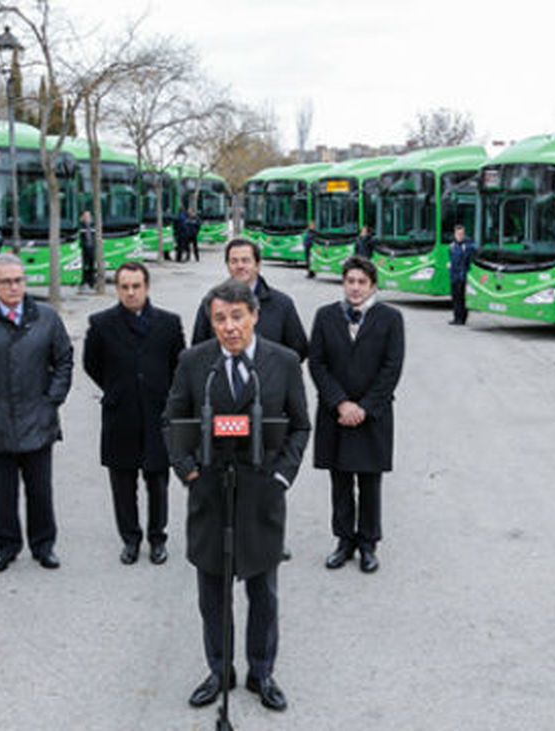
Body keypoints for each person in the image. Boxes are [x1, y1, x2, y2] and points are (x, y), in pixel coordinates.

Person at [164, 278, 310, 713]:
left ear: (254, 316)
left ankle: (261, 670)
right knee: (213, 592)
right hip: (209, 493)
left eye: (237, 317)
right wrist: (187, 471)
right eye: (220, 319)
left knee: (263, 590)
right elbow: (172, 421)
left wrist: (283, 477)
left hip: (262, 495)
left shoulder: (282, 362)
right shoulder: (195, 363)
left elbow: (301, 425)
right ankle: (219, 669)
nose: (229, 327)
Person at [0, 253, 74, 572]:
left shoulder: (46, 317)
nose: (14, 287)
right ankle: (5, 547)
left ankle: (43, 545)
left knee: (40, 490)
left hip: (39, 418)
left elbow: (63, 359)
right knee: (0, 493)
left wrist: (52, 400)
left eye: (19, 280)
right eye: (6, 281)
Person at [84, 262, 186, 565]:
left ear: (147, 287)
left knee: (158, 481)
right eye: (125, 287)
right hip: (120, 414)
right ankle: (130, 539)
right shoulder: (101, 324)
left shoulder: (169, 323)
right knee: (123, 482)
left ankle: (158, 538)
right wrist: (117, 388)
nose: (130, 292)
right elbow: (93, 364)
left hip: (158, 414)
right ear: (118, 289)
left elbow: (178, 365)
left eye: (136, 286)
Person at [308, 256, 404, 573]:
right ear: (343, 283)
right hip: (336, 414)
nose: (355, 287)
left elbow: (392, 368)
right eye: (350, 281)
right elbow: (317, 364)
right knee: (340, 480)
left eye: (362, 282)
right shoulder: (325, 317)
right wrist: (341, 403)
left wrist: (364, 407)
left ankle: (368, 543)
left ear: (373, 285)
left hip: (372, 416)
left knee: (369, 481)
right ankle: (344, 541)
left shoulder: (391, 318)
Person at [191, 239, 309, 364]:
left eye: (246, 260)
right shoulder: (211, 303)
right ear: (228, 266)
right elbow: (198, 349)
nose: (240, 266)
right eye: (234, 261)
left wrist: (273, 371)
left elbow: (298, 351)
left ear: (257, 265)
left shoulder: (282, 304)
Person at [447, 224, 476, 325]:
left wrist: (466, 274)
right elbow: (451, 260)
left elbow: (469, 262)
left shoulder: (468, 246)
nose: (459, 236)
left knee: (462, 298)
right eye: (457, 234)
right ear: (455, 234)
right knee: (455, 297)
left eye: (461, 234)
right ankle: (456, 317)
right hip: (454, 276)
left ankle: (462, 318)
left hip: (463, 276)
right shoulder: (452, 246)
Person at [79, 209, 97, 292]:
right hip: (83, 249)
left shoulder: (93, 225)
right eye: (85, 216)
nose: (87, 218)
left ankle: (91, 283)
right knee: (83, 267)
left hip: (91, 248)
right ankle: (83, 283)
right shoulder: (80, 226)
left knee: (91, 266)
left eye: (89, 216)